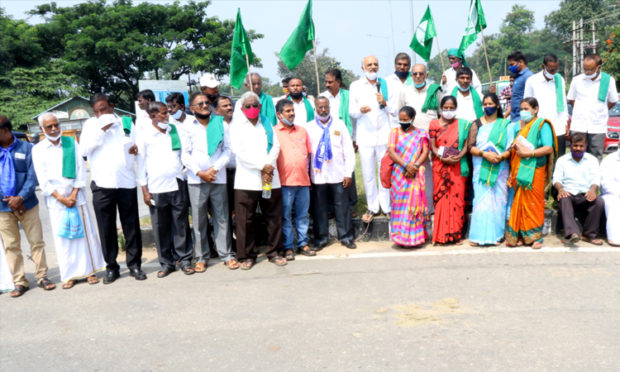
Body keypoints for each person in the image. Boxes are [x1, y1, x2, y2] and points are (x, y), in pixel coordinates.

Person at [32, 113, 105, 288]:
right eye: (49, 127)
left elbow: (81, 170)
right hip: (56, 201)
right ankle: (70, 274)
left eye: (56, 125)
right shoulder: (38, 150)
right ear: (42, 129)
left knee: (84, 235)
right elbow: (43, 179)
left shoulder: (71, 143)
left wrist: (72, 195)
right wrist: (60, 198)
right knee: (64, 238)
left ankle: (90, 271)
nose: (54, 129)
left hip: (76, 198)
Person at [79, 93, 146, 283]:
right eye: (97, 112)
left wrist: (135, 149)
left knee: (131, 226)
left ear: (112, 106)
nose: (101, 114)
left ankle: (134, 265)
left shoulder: (126, 122)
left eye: (104, 109)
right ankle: (111, 267)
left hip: (126, 181)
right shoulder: (91, 125)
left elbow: (136, 146)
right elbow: (83, 151)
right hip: (102, 184)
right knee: (106, 228)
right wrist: (102, 130)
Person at [181, 93, 237, 272]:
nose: (205, 105)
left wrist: (214, 169)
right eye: (200, 103)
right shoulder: (187, 126)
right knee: (198, 220)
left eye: (207, 102)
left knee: (222, 218)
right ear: (192, 108)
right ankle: (201, 257)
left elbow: (227, 150)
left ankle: (226, 254)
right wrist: (200, 172)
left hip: (217, 177)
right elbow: (184, 154)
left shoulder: (219, 124)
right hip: (196, 180)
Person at [229, 92, 286, 270]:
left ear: (260, 107)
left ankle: (274, 252)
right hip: (247, 179)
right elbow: (239, 152)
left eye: (256, 105)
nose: (252, 109)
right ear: (242, 108)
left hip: (270, 177)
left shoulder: (267, 122)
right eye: (248, 106)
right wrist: (262, 165)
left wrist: (268, 165)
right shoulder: (236, 126)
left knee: (274, 217)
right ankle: (246, 255)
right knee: (245, 219)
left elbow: (276, 145)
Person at [0, 115, 55, 297]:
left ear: (6, 131)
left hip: (27, 204)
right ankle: (19, 281)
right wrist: (7, 199)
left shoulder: (28, 148)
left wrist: (20, 197)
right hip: (3, 208)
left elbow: (33, 177)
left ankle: (42, 276)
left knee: (36, 241)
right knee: (11, 245)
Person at [137, 102, 194, 277]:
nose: (167, 116)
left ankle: (184, 260)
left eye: (167, 113)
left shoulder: (174, 131)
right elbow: (140, 166)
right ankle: (167, 263)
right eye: (163, 114)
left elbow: (185, 155)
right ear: (154, 116)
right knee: (160, 227)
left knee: (181, 225)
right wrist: (145, 191)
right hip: (156, 187)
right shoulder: (145, 136)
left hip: (177, 184)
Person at [506, 97, 557, 249]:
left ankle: (536, 237)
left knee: (533, 203)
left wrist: (531, 153)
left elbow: (549, 148)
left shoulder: (542, 125)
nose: (523, 112)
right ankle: (521, 236)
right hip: (518, 169)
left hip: (535, 169)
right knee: (520, 203)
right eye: (521, 109)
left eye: (526, 108)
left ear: (535, 109)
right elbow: (514, 150)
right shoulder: (517, 126)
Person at [306, 97, 357, 249]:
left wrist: (348, 173)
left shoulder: (339, 125)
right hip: (318, 175)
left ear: (329, 107)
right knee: (319, 209)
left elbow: (348, 151)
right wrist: (307, 176)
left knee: (342, 207)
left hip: (338, 174)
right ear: (315, 109)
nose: (323, 110)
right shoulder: (309, 127)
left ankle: (346, 237)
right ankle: (321, 239)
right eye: (320, 107)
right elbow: (307, 154)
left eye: (325, 107)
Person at [349, 55, 393, 221]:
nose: (373, 67)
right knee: (368, 174)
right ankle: (373, 207)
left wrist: (386, 102)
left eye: (375, 64)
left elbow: (394, 110)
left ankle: (387, 206)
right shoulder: (356, 86)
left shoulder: (385, 84)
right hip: (365, 136)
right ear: (363, 68)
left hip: (384, 135)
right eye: (369, 65)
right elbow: (352, 111)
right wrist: (361, 110)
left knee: (384, 173)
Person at [468, 93, 514, 246]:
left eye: (490, 104)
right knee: (480, 201)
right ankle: (477, 236)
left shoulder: (506, 125)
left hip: (499, 167)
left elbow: (510, 148)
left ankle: (496, 235)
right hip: (481, 167)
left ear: (498, 105)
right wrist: (485, 154)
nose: (487, 107)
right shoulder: (477, 124)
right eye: (485, 104)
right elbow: (470, 147)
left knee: (498, 202)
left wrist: (500, 157)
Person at [397, 63, 443, 213]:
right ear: (411, 75)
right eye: (415, 74)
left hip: (432, 138)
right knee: (412, 170)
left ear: (426, 75)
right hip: (411, 139)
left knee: (430, 171)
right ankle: (412, 206)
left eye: (421, 74)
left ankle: (429, 207)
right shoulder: (404, 92)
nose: (418, 76)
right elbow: (401, 114)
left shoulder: (434, 91)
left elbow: (441, 114)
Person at [274, 99, 315, 259]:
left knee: (303, 215)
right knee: (285, 216)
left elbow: (309, 157)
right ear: (279, 114)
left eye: (292, 111)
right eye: (288, 111)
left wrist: (310, 180)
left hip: (303, 182)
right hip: (284, 183)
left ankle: (303, 243)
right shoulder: (274, 132)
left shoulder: (302, 131)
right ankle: (288, 247)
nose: (292, 114)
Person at [428, 96, 471, 245]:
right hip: (440, 165)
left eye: (451, 107)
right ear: (441, 108)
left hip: (457, 165)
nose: (448, 110)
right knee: (441, 200)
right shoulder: (434, 124)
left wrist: (460, 156)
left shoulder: (463, 124)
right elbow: (432, 146)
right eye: (445, 108)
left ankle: (455, 235)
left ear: (456, 108)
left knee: (457, 199)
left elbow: (467, 143)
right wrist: (443, 158)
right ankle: (441, 236)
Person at [387, 106, 430, 247]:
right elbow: (391, 152)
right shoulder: (394, 132)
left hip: (415, 174)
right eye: (401, 119)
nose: (403, 122)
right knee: (399, 205)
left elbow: (425, 152)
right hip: (399, 174)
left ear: (413, 118)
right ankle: (400, 238)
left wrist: (415, 166)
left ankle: (415, 239)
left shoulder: (421, 133)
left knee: (414, 205)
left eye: (406, 119)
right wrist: (406, 165)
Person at [552, 133, 604, 245]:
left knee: (599, 201)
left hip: (585, 194)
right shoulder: (562, 160)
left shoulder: (592, 160)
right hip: (568, 193)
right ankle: (572, 234)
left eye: (581, 146)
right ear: (570, 145)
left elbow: (596, 178)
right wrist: (560, 189)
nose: (578, 148)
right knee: (564, 198)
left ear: (586, 146)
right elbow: (556, 179)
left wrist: (593, 190)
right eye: (575, 145)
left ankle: (588, 235)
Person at [567, 54, 619, 160]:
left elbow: (613, 101)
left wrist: (601, 110)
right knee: (577, 155)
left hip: (597, 126)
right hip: (579, 125)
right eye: (585, 69)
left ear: (599, 67)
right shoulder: (577, 80)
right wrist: (580, 110)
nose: (587, 72)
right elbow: (571, 99)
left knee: (595, 157)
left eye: (590, 70)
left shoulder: (608, 80)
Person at [322, 68, 358, 216]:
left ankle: (350, 206)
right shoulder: (323, 98)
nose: (327, 85)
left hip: (346, 138)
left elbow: (355, 120)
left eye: (330, 82)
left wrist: (354, 139)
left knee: (348, 171)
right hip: (328, 140)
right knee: (329, 171)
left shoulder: (349, 97)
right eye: (326, 82)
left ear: (338, 82)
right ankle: (331, 208)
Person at [524, 53, 569, 155]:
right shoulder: (532, 81)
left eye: (556, 69)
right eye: (551, 69)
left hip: (558, 127)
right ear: (543, 66)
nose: (553, 72)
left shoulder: (559, 79)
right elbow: (526, 105)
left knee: (559, 159)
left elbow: (563, 103)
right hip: (539, 126)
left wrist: (565, 122)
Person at [385, 53, 412, 127]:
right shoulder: (387, 82)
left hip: (412, 123)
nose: (402, 67)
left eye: (405, 65)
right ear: (395, 65)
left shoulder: (414, 80)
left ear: (409, 66)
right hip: (393, 123)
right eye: (399, 64)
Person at [600, 149, 620, 246]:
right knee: (614, 203)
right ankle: (615, 238)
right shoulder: (609, 160)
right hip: (612, 194)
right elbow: (606, 184)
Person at [507, 51, 534, 123]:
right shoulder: (517, 77)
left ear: (521, 62)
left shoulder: (528, 76)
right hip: (514, 118)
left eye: (512, 64)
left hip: (523, 118)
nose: (510, 67)